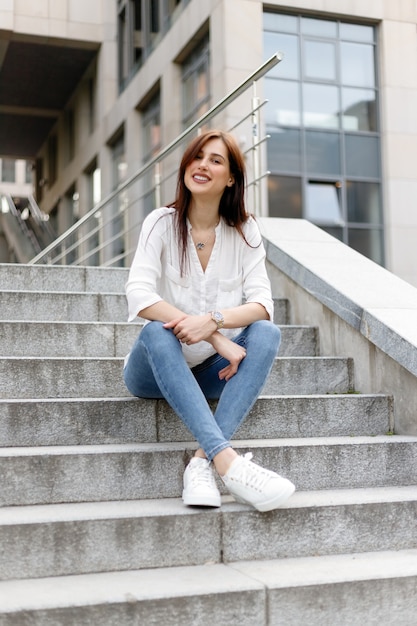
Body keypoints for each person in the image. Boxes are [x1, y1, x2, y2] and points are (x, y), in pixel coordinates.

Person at [123, 129, 295, 512]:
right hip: (153, 369)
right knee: (155, 331)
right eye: (197, 156)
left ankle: (202, 463)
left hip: (213, 375)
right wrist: (216, 336)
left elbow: (263, 305)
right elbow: (139, 294)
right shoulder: (161, 222)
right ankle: (228, 461)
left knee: (266, 334)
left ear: (231, 177)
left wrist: (214, 320)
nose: (202, 165)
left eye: (216, 160)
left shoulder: (245, 231)